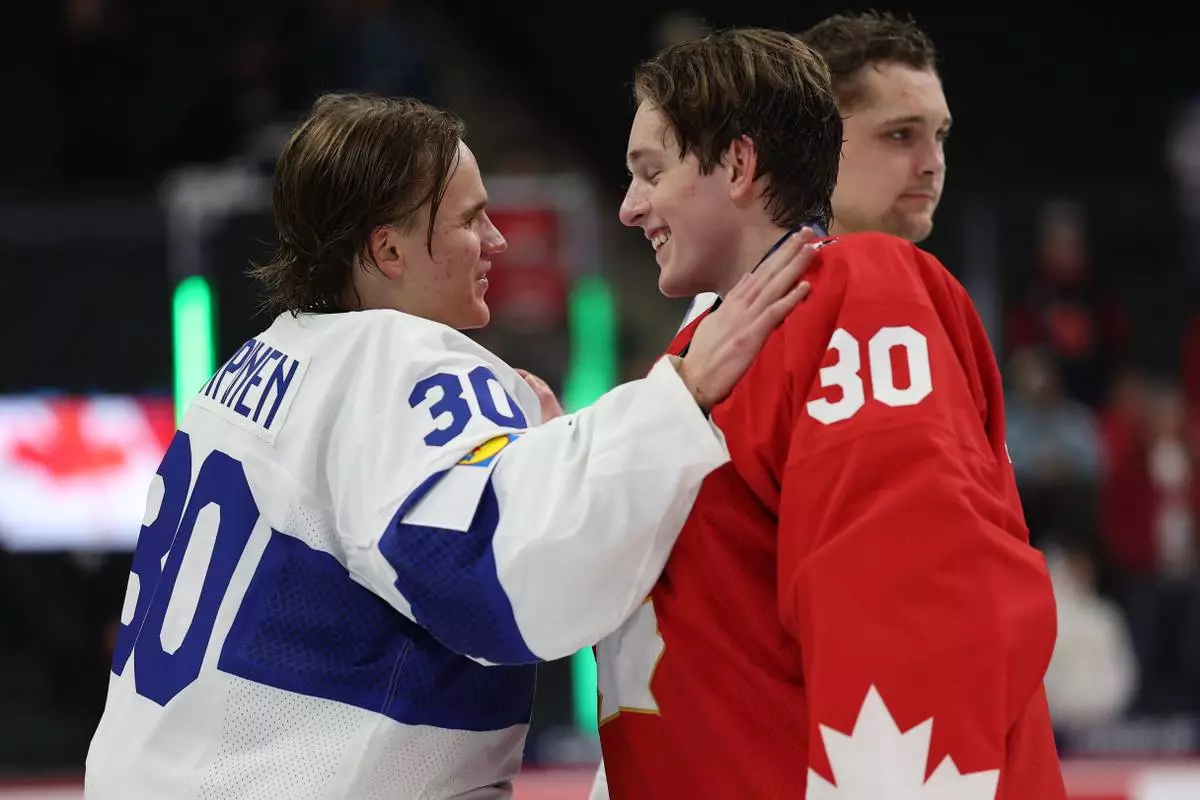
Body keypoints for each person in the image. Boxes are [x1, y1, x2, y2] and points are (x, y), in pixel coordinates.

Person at [82, 93, 818, 799]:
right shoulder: (403, 362)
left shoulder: (252, 366)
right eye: (472, 219)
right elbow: (502, 582)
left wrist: (548, 458)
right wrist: (677, 395)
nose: (497, 240)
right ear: (390, 249)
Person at [591, 28, 1066, 798]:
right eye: (899, 133)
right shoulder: (706, 351)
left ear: (742, 163)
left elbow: (915, 618)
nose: (628, 206)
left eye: (652, 172)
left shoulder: (861, 291)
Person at [680, 11, 951, 327]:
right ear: (812, 139)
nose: (934, 163)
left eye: (940, 135)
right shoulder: (738, 310)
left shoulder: (942, 306)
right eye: (901, 134)